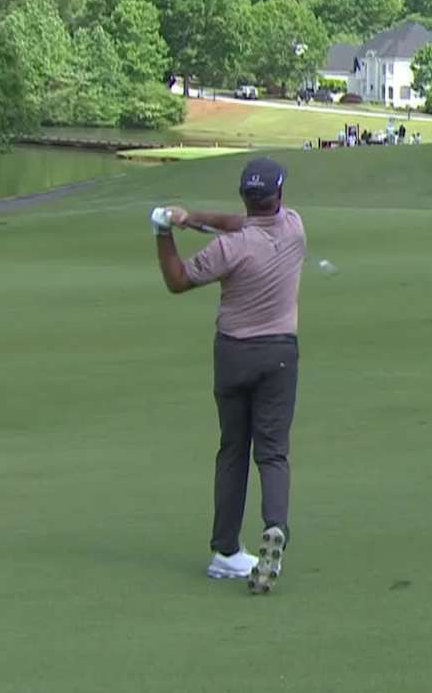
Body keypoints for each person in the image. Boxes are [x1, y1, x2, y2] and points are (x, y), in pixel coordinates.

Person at [149, 156, 307, 595]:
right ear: (279, 197)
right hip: (279, 355)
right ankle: (275, 526)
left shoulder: (228, 249)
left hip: (234, 354)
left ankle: (225, 551)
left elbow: (177, 280)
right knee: (273, 453)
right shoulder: (295, 227)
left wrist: (165, 230)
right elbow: (245, 223)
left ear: (244, 196)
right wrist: (194, 218)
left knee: (233, 451)